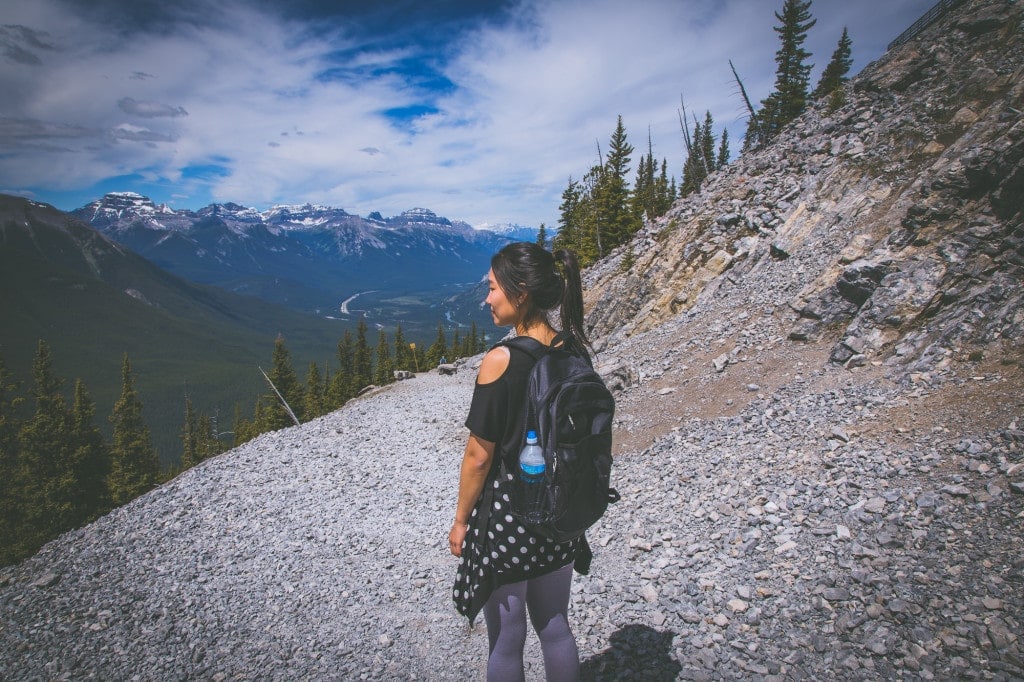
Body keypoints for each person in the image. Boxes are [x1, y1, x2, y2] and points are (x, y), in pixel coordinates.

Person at [449, 241, 593, 681]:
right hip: (562, 512)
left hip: (511, 518)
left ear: (522, 291)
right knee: (555, 627)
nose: (486, 298)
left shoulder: (501, 359)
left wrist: (460, 521)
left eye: (493, 288)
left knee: (507, 642)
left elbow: (478, 457)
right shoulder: (573, 351)